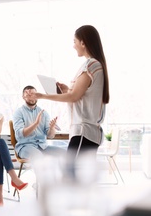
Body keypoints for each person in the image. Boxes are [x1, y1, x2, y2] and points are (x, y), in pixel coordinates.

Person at [27, 25, 109, 177]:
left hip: (84, 132)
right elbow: (79, 95)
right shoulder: (94, 64)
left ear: (83, 43)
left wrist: (42, 96)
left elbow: (74, 97)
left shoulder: (91, 65)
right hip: (86, 132)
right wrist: (67, 89)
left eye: (75, 41)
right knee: (79, 177)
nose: (73, 46)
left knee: (71, 176)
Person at [13, 85, 66, 161]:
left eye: (34, 94)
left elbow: (50, 136)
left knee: (64, 153)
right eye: (28, 94)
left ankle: (60, 173)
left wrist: (51, 128)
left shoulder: (44, 113)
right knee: (38, 157)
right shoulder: (19, 112)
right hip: (25, 147)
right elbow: (20, 134)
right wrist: (36, 123)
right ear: (23, 97)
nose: (31, 96)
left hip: (43, 147)